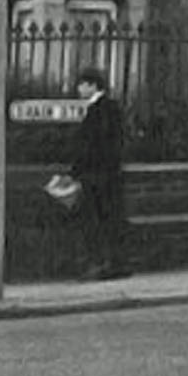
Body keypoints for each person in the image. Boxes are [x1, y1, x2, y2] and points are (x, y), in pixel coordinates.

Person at [71, 67, 130, 280]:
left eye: (82, 84)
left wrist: (77, 170)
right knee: (108, 220)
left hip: (99, 175)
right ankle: (113, 263)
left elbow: (95, 145)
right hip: (106, 174)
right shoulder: (106, 107)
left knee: (99, 221)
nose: (78, 89)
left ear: (93, 86)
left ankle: (106, 265)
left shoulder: (100, 109)